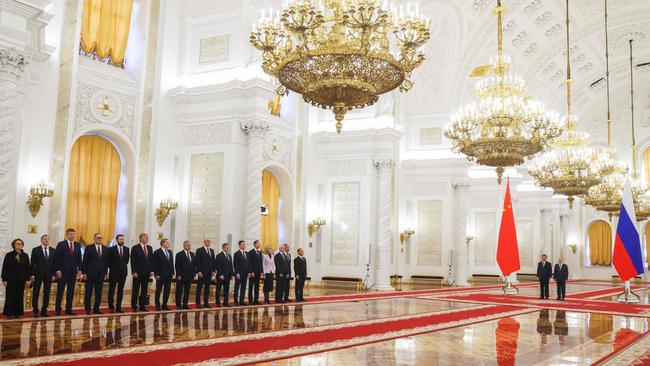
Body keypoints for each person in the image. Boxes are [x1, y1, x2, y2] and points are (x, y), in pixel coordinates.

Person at [54, 228, 82, 315]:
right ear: (67, 235)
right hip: (62, 272)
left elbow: (79, 259)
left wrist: (80, 270)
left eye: (74, 234)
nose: (72, 235)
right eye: (70, 234)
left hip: (73, 272)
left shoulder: (77, 245)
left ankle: (68, 309)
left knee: (71, 291)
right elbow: (56, 258)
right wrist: (57, 270)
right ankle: (58, 309)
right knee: (60, 291)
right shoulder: (61, 244)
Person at [2, 239, 31, 318]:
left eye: (20, 243)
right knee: (10, 296)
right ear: (14, 245)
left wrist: (28, 279)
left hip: (21, 279)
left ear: (22, 245)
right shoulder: (9, 255)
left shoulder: (25, 255)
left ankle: (18, 313)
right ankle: (9, 313)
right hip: (11, 279)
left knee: (19, 296)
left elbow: (28, 268)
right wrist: (4, 279)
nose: (19, 245)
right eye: (17, 244)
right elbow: (5, 267)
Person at [81, 233, 108, 314]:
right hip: (90, 273)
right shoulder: (89, 248)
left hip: (101, 273)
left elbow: (106, 262)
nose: (99, 239)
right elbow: (84, 261)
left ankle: (96, 308)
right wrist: (84, 273)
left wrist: (106, 273)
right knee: (88, 292)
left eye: (101, 238)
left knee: (98, 292)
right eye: (98, 238)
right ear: (94, 238)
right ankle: (88, 309)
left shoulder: (105, 248)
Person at [30, 234, 55, 317]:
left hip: (49, 275)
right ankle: (35, 310)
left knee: (47, 292)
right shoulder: (36, 250)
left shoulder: (53, 250)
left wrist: (53, 274)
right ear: (41, 240)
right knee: (36, 292)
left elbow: (55, 264)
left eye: (48, 239)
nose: (46, 241)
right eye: (45, 239)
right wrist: (32, 275)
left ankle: (44, 310)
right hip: (37, 274)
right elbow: (32, 263)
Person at [131, 233, 154, 311]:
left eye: (147, 237)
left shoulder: (150, 248)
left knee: (144, 290)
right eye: (145, 237)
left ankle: (142, 306)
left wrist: (151, 270)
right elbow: (133, 261)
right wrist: (134, 271)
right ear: (140, 239)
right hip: (137, 272)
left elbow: (151, 260)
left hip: (146, 273)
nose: (147, 238)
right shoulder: (135, 248)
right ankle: (134, 306)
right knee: (136, 290)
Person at [107, 234, 129, 313]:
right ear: (117, 240)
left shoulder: (127, 249)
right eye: (120, 239)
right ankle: (111, 306)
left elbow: (126, 261)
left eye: (123, 239)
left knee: (120, 290)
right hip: (113, 273)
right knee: (111, 290)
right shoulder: (111, 249)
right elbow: (108, 262)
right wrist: (114, 268)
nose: (122, 241)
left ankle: (118, 307)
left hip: (123, 273)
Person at [152, 238, 174, 311]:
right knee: (158, 290)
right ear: (163, 243)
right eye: (167, 242)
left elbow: (171, 263)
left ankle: (165, 304)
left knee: (167, 290)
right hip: (160, 275)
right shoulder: (157, 252)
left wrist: (173, 273)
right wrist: (156, 274)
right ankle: (157, 305)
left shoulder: (170, 252)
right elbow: (155, 264)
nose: (168, 244)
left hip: (168, 275)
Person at [195, 238, 215, 308]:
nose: (209, 242)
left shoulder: (212, 250)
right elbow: (197, 261)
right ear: (203, 242)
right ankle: (198, 303)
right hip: (202, 273)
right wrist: (198, 271)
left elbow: (213, 261)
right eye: (207, 241)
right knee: (199, 288)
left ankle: (206, 303)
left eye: (209, 241)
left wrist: (213, 271)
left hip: (209, 273)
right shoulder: (199, 250)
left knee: (207, 288)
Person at [175, 240, 195, 310]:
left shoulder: (192, 254)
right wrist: (178, 275)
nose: (189, 247)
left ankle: (185, 304)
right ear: (184, 246)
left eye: (190, 245)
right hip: (181, 276)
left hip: (189, 276)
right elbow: (177, 266)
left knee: (187, 291)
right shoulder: (179, 254)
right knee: (179, 291)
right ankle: (178, 304)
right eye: (187, 245)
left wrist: (193, 274)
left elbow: (193, 265)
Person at [215, 243, 233, 307]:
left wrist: (231, 274)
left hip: (227, 276)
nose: (228, 249)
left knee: (226, 290)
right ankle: (217, 302)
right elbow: (218, 266)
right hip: (221, 276)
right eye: (226, 247)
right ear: (223, 248)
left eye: (228, 247)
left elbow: (231, 266)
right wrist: (220, 274)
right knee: (218, 290)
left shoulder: (229, 256)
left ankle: (225, 302)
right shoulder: (219, 256)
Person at [233, 240, 249, 306]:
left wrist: (248, 272)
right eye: (242, 244)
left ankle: (241, 301)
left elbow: (248, 264)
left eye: (244, 244)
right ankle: (235, 301)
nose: (244, 245)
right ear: (239, 245)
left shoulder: (247, 253)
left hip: (245, 274)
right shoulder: (236, 254)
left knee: (243, 287)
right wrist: (237, 273)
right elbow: (235, 264)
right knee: (237, 287)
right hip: (239, 274)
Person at [247, 240, 263, 305]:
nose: (259, 245)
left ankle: (256, 300)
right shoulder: (250, 252)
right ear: (254, 244)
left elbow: (260, 263)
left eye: (259, 244)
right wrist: (251, 271)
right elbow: (249, 263)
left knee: (257, 287)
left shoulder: (259, 252)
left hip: (258, 272)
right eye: (258, 244)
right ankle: (250, 300)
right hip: (253, 273)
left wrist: (261, 271)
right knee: (251, 286)